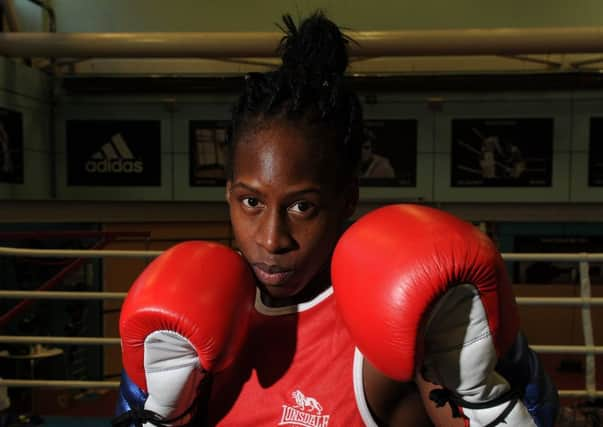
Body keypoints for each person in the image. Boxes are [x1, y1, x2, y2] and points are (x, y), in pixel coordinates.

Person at [113, 12, 558, 427]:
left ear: (348, 200)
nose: (272, 239)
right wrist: (161, 415)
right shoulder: (185, 315)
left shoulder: (391, 329)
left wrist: (485, 395)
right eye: (251, 203)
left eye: (301, 206)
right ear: (229, 193)